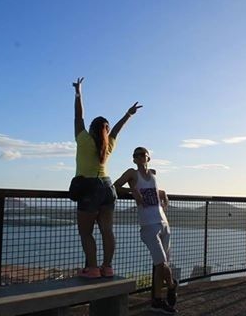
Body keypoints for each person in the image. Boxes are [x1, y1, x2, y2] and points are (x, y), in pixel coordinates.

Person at [73, 77, 142, 278]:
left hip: (88, 188)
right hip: (107, 187)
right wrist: (129, 114)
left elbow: (79, 117)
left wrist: (78, 92)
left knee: (86, 233)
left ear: (92, 129)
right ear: (106, 131)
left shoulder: (84, 139)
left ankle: (93, 269)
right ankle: (107, 267)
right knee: (107, 230)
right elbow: (117, 129)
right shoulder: (109, 145)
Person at [114, 147, 178, 314]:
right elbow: (115, 186)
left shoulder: (154, 175)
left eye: (143, 154)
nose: (140, 157)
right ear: (134, 160)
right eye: (136, 155)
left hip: (163, 221)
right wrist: (132, 191)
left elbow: (155, 192)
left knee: (159, 265)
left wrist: (163, 194)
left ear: (149, 158)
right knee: (162, 263)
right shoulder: (132, 174)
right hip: (148, 225)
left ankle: (157, 301)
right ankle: (172, 285)